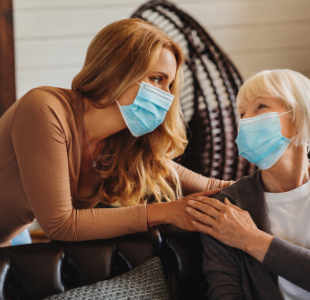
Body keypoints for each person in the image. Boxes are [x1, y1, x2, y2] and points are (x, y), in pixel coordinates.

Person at [0, 19, 231, 247]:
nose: (166, 97)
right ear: (115, 72)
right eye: (157, 79)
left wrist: (260, 186)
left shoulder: (121, 142)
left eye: (169, 85)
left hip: (11, 233)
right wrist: (168, 212)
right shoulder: (44, 109)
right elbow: (62, 226)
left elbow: (210, 185)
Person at [186, 69, 310, 299]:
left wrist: (250, 238)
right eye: (241, 113)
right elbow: (225, 293)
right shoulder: (226, 208)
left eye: (260, 107)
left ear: (300, 117)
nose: (246, 120)